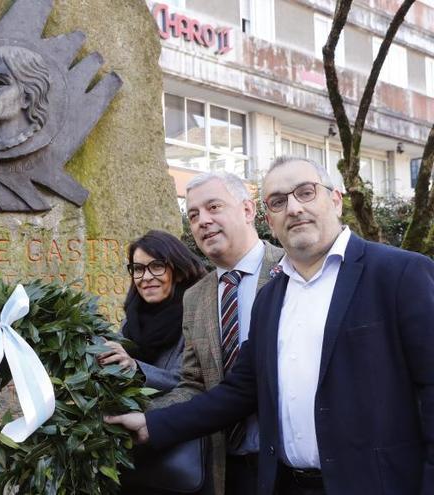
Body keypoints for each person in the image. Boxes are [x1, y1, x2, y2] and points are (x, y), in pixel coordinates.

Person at [105, 157, 434, 494]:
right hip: (282, 483)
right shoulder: (273, 297)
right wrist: (151, 424)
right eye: (278, 201)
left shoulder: (400, 274)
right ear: (269, 218)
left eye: (305, 193)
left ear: (335, 199)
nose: (293, 208)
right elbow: (239, 390)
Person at [146, 172, 283, 495]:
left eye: (214, 207)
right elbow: (194, 383)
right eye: (193, 215)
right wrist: (140, 413)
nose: (202, 221)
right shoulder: (195, 297)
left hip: (292, 466)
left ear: (248, 211)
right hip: (228, 468)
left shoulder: (291, 269)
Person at [97, 230, 207, 494]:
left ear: (178, 271)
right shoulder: (131, 320)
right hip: (133, 454)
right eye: (138, 269)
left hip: (176, 452)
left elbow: (191, 381)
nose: (146, 277)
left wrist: (135, 369)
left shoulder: (196, 315)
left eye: (157, 266)